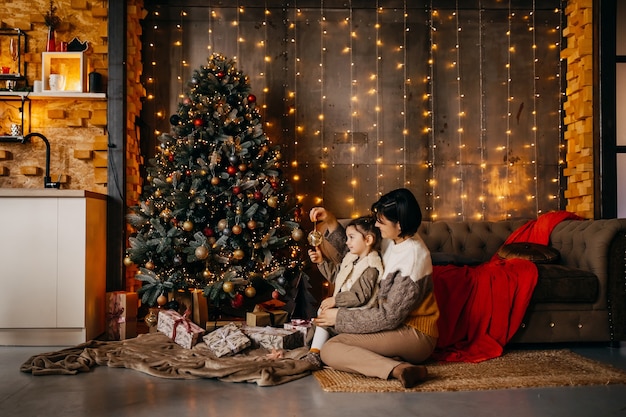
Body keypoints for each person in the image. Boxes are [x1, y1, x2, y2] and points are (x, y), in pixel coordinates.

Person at [309, 188, 439, 388]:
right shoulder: (392, 238)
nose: (376, 225)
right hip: (389, 324)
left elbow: (388, 316)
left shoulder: (413, 257)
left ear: (400, 224)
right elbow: (353, 252)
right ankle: (392, 361)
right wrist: (331, 220)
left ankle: (399, 369)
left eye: (381, 221)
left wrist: (339, 317)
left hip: (414, 332)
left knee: (330, 349)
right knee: (328, 334)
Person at [303, 216, 384, 369]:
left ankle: (314, 354)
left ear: (368, 240)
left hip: (358, 314)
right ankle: (313, 349)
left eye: (351, 238)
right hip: (346, 307)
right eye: (347, 238)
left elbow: (360, 296)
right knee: (321, 316)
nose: (347, 242)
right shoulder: (351, 259)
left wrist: (336, 301)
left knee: (326, 318)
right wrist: (321, 262)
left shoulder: (371, 267)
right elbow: (337, 275)